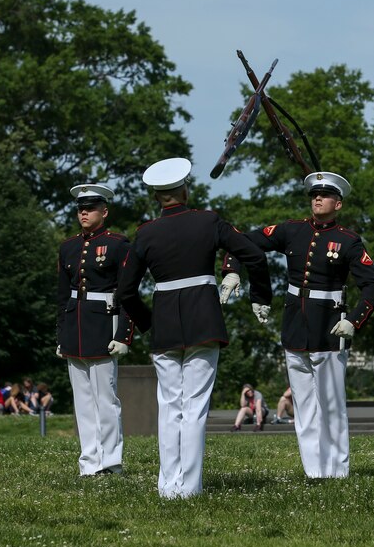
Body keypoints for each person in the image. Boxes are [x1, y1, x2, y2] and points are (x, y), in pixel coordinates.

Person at [116, 157, 271, 498]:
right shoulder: (208, 221)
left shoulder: (145, 233)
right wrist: (260, 295)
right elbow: (255, 256)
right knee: (195, 406)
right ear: (185, 188)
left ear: (157, 195)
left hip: (165, 326)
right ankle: (189, 488)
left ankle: (167, 487)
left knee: (170, 407)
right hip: (204, 320)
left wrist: (147, 324)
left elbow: (125, 291)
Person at [222, 171, 374, 479]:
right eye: (314, 195)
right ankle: (315, 472)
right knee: (304, 406)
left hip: (330, 327)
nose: (317, 199)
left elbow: (373, 286)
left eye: (324, 195)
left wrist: (353, 321)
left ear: (339, 204)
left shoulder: (348, 241)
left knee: (331, 405)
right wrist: (232, 268)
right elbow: (241, 241)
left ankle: (337, 471)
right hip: (295, 324)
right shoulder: (291, 231)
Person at [56, 184, 134, 476]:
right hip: (74, 325)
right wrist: (60, 333)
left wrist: (123, 335)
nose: (84, 213)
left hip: (103, 324)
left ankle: (111, 461)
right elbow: (62, 295)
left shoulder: (118, 244)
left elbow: (128, 294)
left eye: (90, 208)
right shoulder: (68, 246)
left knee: (106, 400)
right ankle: (89, 463)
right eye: (80, 208)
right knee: (84, 402)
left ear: (105, 210)